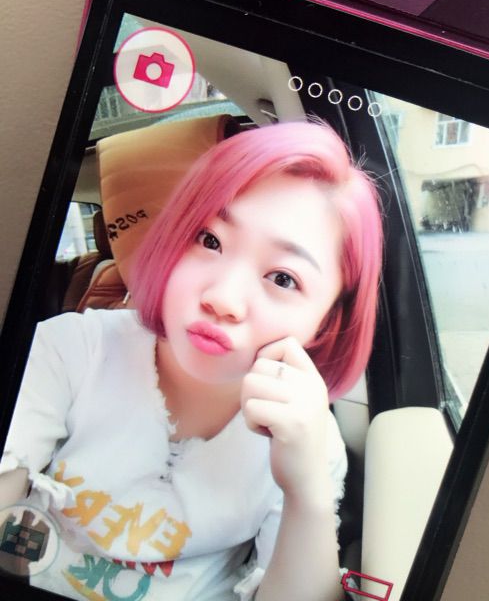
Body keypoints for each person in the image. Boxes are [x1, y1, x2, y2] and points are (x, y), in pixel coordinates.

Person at [0, 121, 383, 601]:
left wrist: (306, 493)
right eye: (209, 240)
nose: (223, 298)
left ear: (326, 321)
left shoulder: (309, 436)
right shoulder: (71, 349)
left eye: (283, 278)